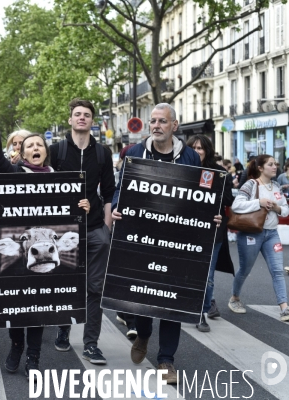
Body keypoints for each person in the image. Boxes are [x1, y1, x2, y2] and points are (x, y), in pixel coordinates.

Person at [112, 103, 222, 384]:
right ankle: (144, 333)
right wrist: (116, 206)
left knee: (171, 301)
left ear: (175, 125)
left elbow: (200, 194)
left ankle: (166, 360)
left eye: (162, 121)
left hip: (177, 240)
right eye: (153, 121)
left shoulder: (189, 157)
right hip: (143, 237)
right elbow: (121, 187)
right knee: (146, 298)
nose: (156, 125)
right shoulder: (135, 153)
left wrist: (212, 216)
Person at [0, 99, 90, 378]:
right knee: (19, 306)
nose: (35, 149)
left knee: (41, 308)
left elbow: (72, 215)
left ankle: (33, 356)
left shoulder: (62, 178)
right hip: (22, 259)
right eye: (29, 145)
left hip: (50, 261)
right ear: (22, 152)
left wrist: (84, 207)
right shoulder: (15, 173)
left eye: (39, 145)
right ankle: (16, 346)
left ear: (46, 152)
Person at [48, 98, 115, 366]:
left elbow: (109, 193)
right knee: (66, 284)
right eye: (77, 114)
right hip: (63, 232)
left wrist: (106, 228)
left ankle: (91, 344)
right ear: (70, 119)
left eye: (87, 115)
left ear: (92, 121)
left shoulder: (102, 153)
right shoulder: (57, 150)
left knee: (95, 289)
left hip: (95, 229)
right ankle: (64, 328)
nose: (82, 118)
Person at [228, 154, 289, 322]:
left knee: (277, 270)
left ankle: (284, 307)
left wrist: (277, 207)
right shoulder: (250, 184)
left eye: (275, 164)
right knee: (245, 269)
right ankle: (235, 298)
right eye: (271, 164)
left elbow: (285, 210)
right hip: (250, 233)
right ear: (260, 168)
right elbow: (237, 205)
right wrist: (259, 203)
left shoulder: (276, 186)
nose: (275, 167)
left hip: (272, 234)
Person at [186, 135, 235, 331]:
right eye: (194, 147)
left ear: (207, 150)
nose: (197, 151)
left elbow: (228, 200)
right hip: (185, 228)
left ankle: (202, 312)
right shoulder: (181, 169)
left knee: (207, 274)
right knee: (187, 271)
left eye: (201, 148)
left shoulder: (220, 173)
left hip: (212, 229)